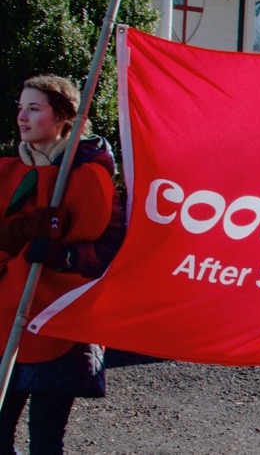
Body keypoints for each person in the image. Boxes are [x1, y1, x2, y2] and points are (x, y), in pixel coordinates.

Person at [1, 75, 125, 455]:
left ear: (62, 118)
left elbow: (108, 250)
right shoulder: (7, 170)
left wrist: (62, 254)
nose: (22, 117)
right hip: (8, 325)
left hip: (59, 324)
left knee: (45, 440)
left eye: (33, 109)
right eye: (21, 108)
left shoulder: (90, 175)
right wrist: (17, 234)